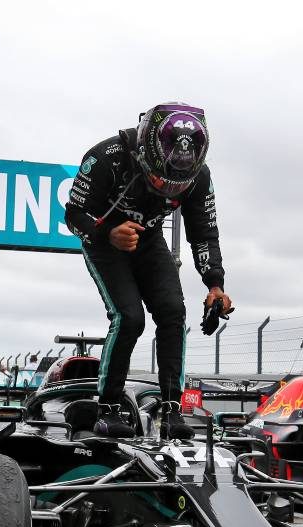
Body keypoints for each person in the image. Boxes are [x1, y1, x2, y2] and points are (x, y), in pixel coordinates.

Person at [65, 102, 233, 439]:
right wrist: (106, 233)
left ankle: (171, 410)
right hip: (104, 241)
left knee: (173, 312)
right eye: (162, 180)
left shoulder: (199, 176)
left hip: (148, 240)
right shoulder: (106, 157)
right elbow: (74, 215)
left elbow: (203, 231)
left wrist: (214, 283)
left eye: (177, 185)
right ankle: (108, 406)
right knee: (129, 318)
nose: (168, 189)